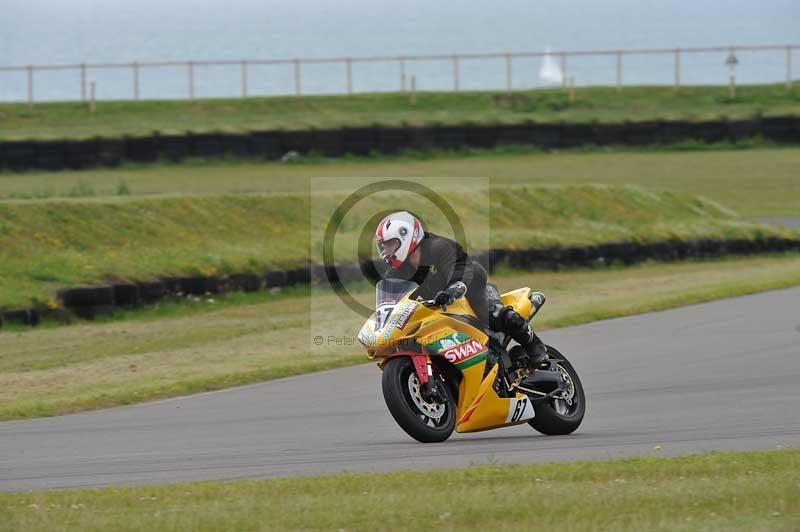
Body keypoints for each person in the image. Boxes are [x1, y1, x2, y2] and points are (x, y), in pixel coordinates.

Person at [375, 211, 548, 368]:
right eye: (384, 247)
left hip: (470, 290)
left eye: (390, 245)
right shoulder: (397, 271)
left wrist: (455, 286)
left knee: (495, 315)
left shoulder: (438, 247)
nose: (386, 251)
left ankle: (535, 346)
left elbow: (459, 267)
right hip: (437, 307)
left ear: (406, 237)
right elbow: (393, 300)